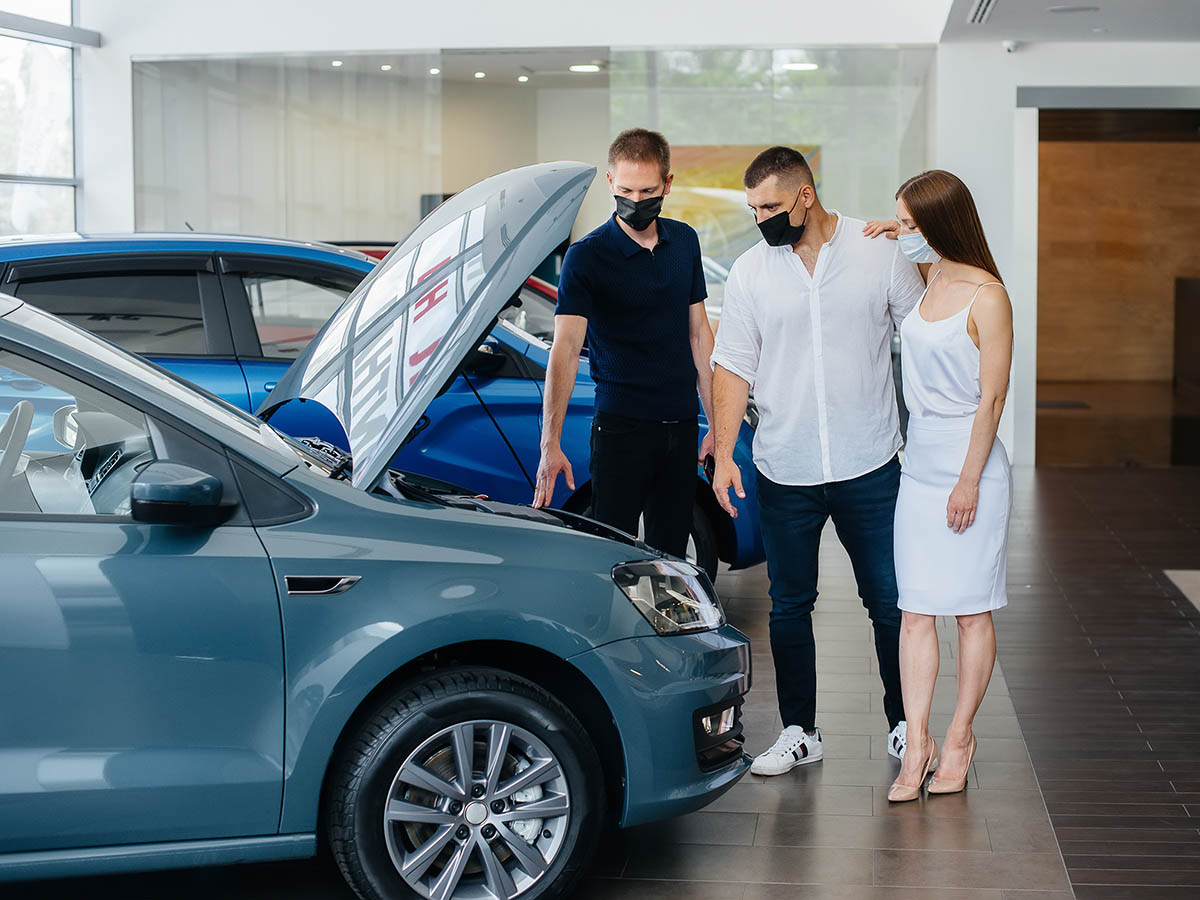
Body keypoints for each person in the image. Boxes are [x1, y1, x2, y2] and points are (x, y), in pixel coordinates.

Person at [709, 146, 925, 775]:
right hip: (785, 467)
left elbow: (925, 329)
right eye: (752, 209)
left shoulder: (877, 249)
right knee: (788, 604)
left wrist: (923, 246)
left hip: (872, 463)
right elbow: (732, 366)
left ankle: (905, 725)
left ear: (805, 196)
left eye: (770, 206)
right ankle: (800, 732)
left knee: (889, 603)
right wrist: (724, 455)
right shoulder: (751, 272)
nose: (761, 219)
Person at [865, 171, 1014, 802]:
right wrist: (880, 231)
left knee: (970, 609)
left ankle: (958, 737)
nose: (905, 232)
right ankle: (917, 742)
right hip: (919, 464)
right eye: (900, 220)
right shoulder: (928, 280)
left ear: (944, 224)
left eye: (912, 222)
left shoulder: (989, 297)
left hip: (969, 467)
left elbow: (993, 399)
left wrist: (969, 482)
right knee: (914, 609)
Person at [533, 128, 715, 562]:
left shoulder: (684, 241)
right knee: (612, 555)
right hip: (620, 429)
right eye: (627, 189)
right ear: (611, 184)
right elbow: (565, 349)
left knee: (670, 556)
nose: (636, 199)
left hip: (681, 427)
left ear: (667, 185)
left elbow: (699, 335)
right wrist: (549, 443)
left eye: (648, 190)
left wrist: (715, 427)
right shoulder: (587, 256)